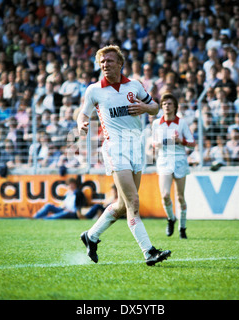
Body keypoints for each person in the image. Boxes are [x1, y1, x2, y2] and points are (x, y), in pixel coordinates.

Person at [77, 44, 171, 266]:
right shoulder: (94, 90)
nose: (105, 65)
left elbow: (156, 108)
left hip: (136, 146)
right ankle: (149, 252)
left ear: (120, 63)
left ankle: (90, 236)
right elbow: (83, 113)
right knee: (133, 202)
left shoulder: (135, 85)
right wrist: (81, 123)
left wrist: (145, 108)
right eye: (102, 62)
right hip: (115, 147)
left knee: (121, 205)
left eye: (109, 61)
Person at [152, 93, 196, 239]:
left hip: (179, 160)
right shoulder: (156, 123)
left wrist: (180, 140)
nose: (167, 106)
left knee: (180, 196)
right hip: (164, 159)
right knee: (165, 195)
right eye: (164, 104)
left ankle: (182, 227)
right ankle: (171, 218)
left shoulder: (181, 123)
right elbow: (153, 142)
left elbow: (192, 143)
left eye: (170, 104)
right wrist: (156, 144)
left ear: (175, 106)